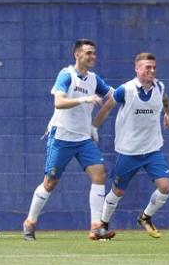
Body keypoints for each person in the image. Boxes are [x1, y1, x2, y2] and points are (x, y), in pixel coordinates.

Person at [22, 39, 114, 241]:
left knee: (99, 174)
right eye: (88, 53)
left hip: (83, 139)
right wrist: (84, 99)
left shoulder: (94, 79)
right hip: (62, 136)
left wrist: (94, 126)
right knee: (50, 182)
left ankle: (96, 226)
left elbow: (113, 96)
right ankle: (30, 222)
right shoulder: (66, 75)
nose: (93, 57)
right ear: (77, 55)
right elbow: (59, 102)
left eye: (94, 53)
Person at [90, 52, 169, 239]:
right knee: (117, 191)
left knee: (165, 186)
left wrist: (168, 114)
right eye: (147, 67)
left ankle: (145, 217)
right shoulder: (125, 90)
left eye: (154, 67)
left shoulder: (159, 86)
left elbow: (165, 99)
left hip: (152, 150)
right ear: (137, 69)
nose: (151, 70)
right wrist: (93, 127)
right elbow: (107, 107)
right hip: (129, 151)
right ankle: (102, 225)